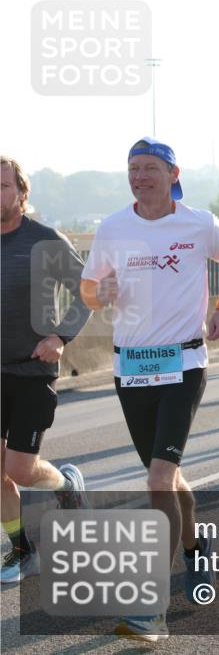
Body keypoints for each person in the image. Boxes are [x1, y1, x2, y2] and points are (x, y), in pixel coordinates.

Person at [80, 138, 219, 642]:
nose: (140, 177)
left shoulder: (198, 222)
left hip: (183, 362)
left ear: (173, 173)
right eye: (133, 168)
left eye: (150, 168)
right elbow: (89, 289)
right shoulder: (112, 228)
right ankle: (198, 546)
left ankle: (152, 608)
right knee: (167, 477)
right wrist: (100, 293)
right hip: (130, 368)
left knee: (158, 478)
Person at [1, 156, 91, 585]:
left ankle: (65, 487)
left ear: (20, 193)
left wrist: (59, 338)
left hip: (32, 372)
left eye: (3, 186)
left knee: (19, 469)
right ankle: (21, 549)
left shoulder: (45, 240)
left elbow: (86, 291)